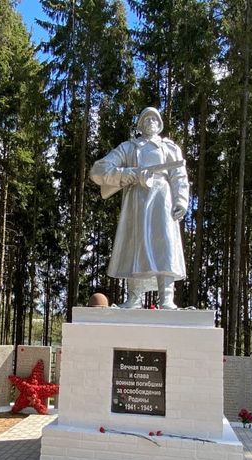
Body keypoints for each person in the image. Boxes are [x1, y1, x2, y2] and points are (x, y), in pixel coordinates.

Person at [89, 107, 189, 309]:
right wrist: (126, 174)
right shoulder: (129, 148)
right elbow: (98, 170)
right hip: (137, 202)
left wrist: (181, 200)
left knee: (165, 247)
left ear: (160, 123)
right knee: (137, 246)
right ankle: (134, 298)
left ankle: (167, 299)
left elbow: (179, 175)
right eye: (147, 118)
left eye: (155, 118)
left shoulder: (170, 148)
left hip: (163, 201)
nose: (151, 121)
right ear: (140, 123)